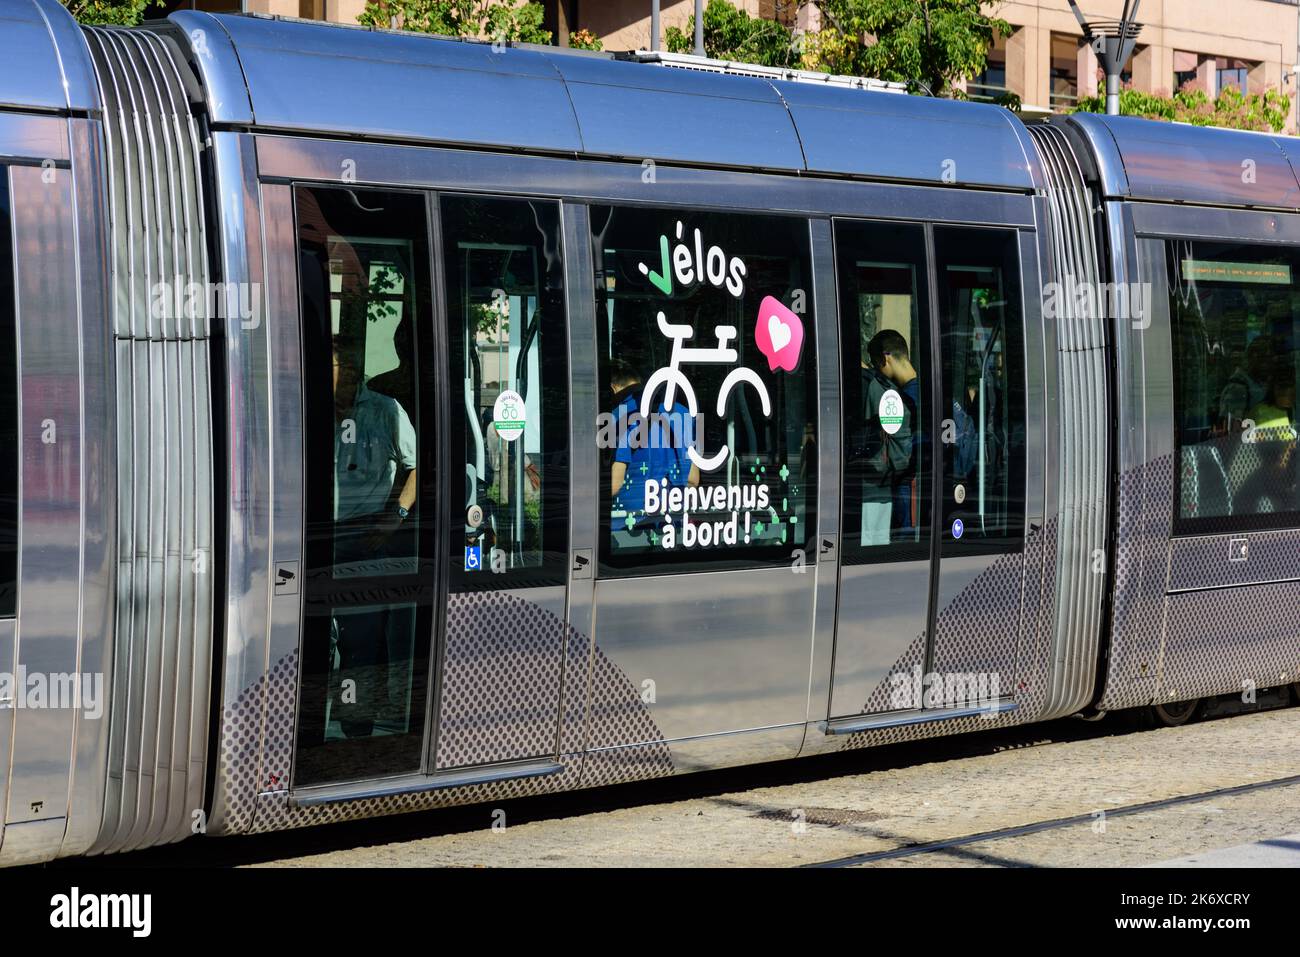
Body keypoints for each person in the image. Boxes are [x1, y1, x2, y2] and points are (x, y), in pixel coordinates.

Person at [331, 337, 418, 737]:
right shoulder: (309, 405)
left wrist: (394, 516)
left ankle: (356, 729)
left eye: (334, 368)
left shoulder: (384, 410)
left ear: (349, 371)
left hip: (361, 534)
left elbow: (417, 465)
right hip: (310, 536)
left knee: (359, 642)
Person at [608, 357, 699, 533]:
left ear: (613, 388)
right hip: (673, 527)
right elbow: (693, 479)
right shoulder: (681, 412)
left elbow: (614, 484)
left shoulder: (619, 416)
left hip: (627, 529)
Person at [867, 329, 920, 535]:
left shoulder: (903, 399)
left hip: (907, 488)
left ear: (885, 358)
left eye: (874, 362)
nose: (876, 370)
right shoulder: (926, 392)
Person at [1219, 334, 1273, 431]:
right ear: (1250, 357)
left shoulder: (1259, 383)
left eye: (1269, 357)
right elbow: (1232, 430)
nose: (1267, 363)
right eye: (1262, 357)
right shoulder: (1238, 387)